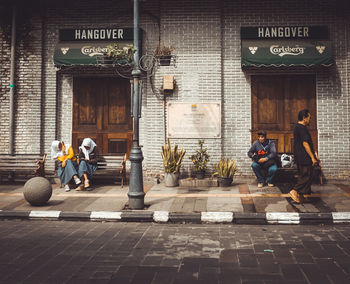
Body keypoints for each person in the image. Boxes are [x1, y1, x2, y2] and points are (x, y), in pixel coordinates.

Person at [289, 109, 319, 203]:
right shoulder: (301, 128)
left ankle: (301, 195)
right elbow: (305, 143)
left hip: (301, 156)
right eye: (309, 118)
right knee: (306, 175)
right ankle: (295, 191)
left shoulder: (298, 127)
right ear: (304, 118)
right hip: (304, 156)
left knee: (307, 175)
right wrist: (312, 157)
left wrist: (314, 153)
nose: (310, 120)